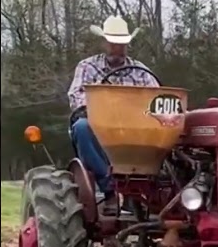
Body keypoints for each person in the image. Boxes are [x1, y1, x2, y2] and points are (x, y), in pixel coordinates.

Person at [67, 16, 159, 212]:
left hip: (134, 129)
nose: (117, 48)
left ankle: (144, 191)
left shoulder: (141, 71)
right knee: (82, 127)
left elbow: (156, 97)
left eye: (122, 44)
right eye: (113, 43)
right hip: (97, 127)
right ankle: (109, 190)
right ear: (104, 43)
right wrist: (103, 107)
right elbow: (76, 96)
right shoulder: (87, 67)